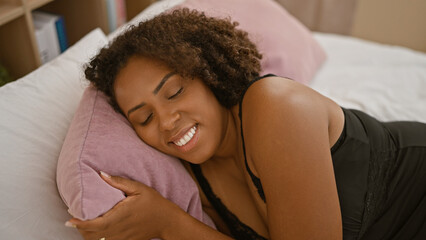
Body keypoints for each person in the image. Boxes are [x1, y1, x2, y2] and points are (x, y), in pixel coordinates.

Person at [66, 8, 426, 240]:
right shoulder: (196, 181)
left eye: (174, 92)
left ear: (208, 74)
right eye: (143, 117)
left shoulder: (275, 106)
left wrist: (171, 224)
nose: (166, 121)